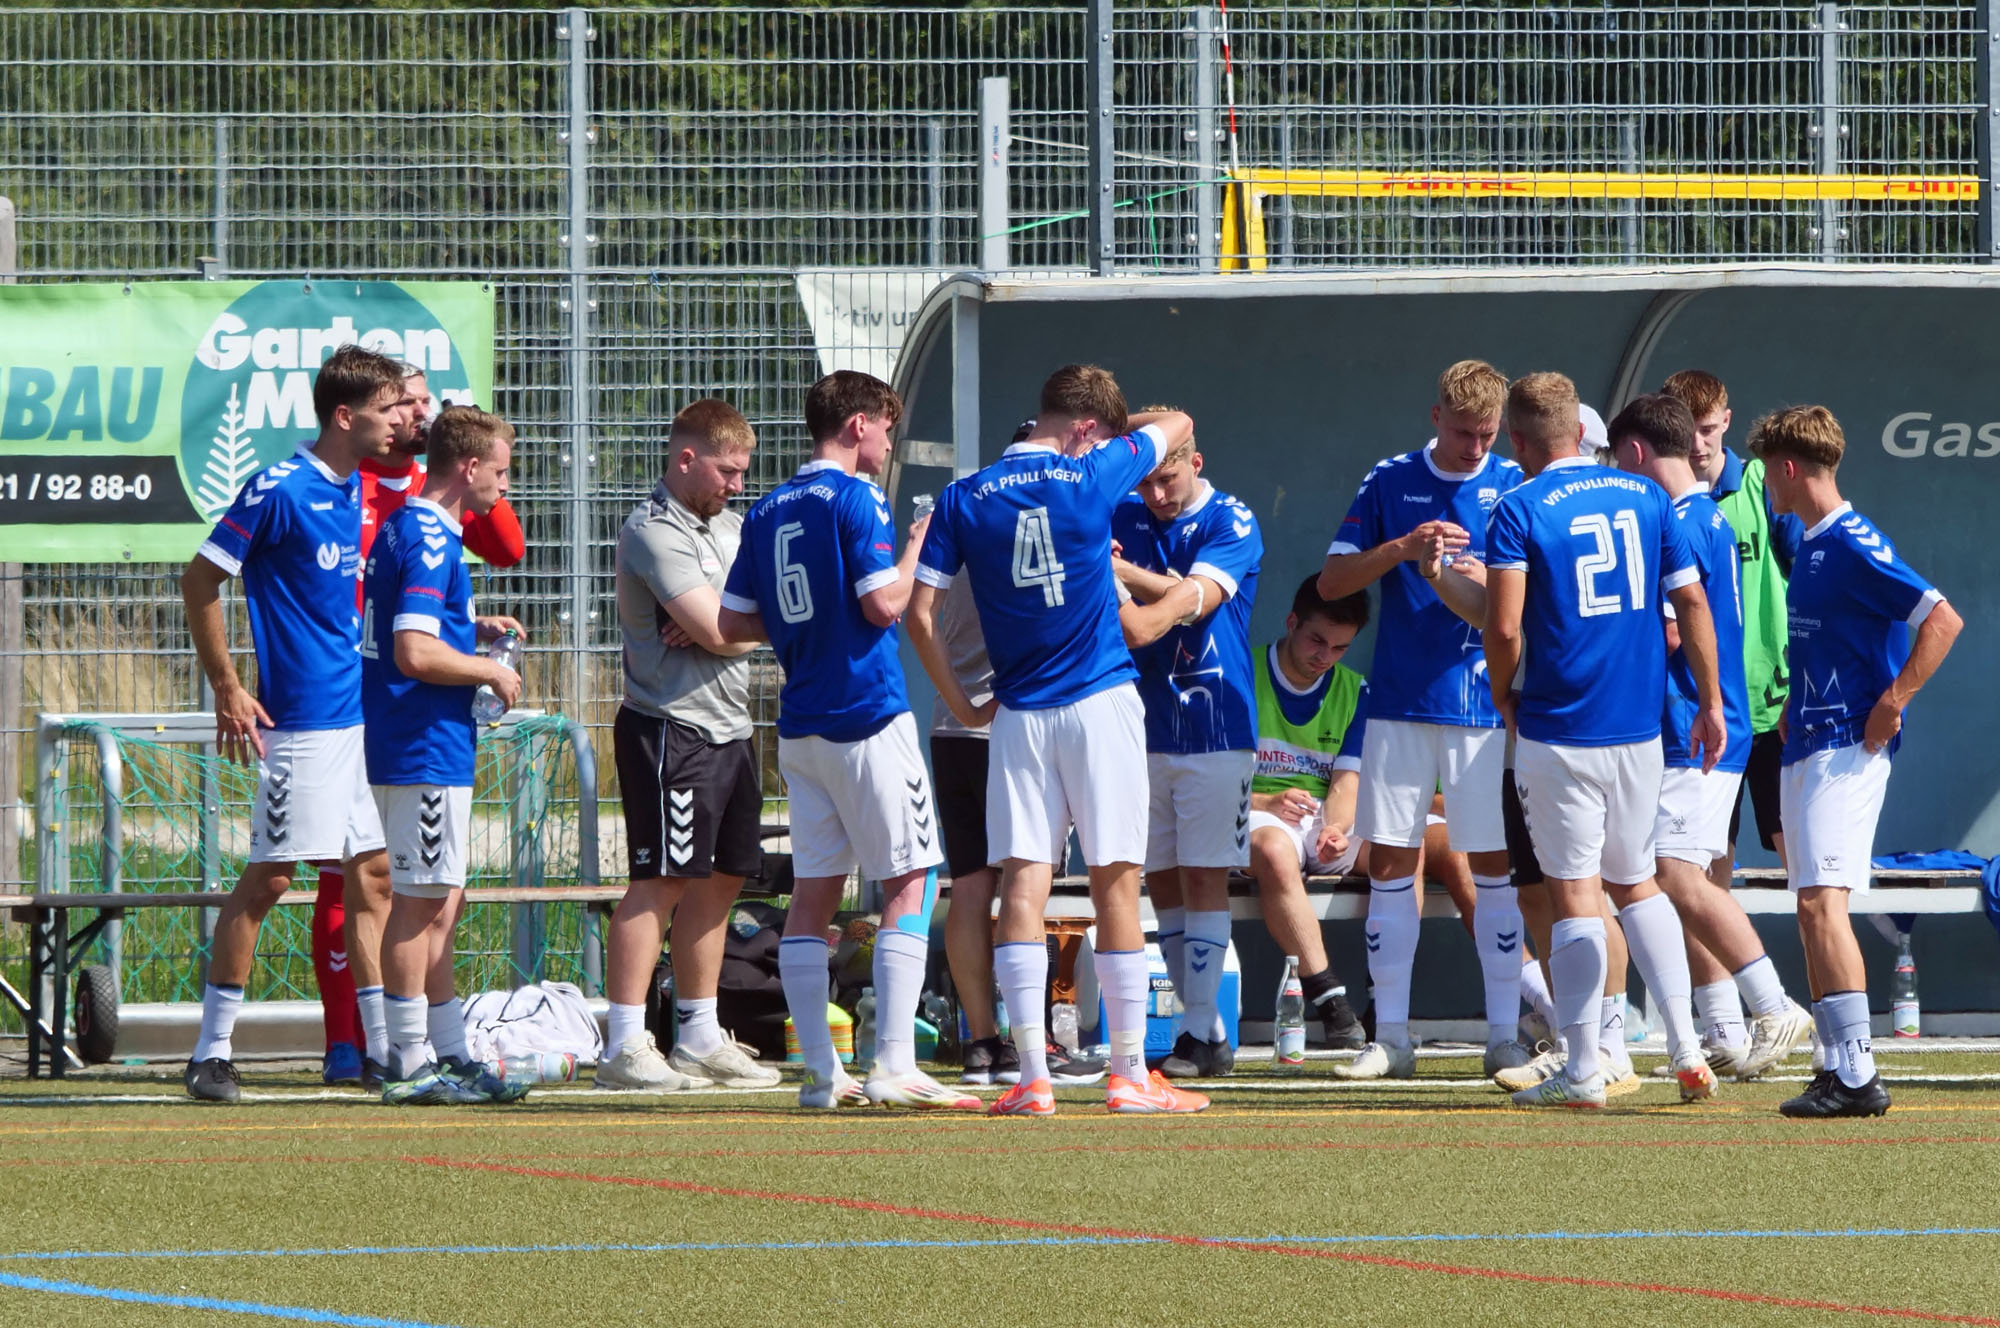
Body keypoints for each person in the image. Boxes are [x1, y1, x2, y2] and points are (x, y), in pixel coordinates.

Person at [911, 364, 1210, 1117]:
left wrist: (962, 703)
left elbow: (919, 614)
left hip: (1018, 713)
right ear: (1085, 430)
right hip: (1100, 701)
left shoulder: (962, 495)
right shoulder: (1092, 472)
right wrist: (1115, 437)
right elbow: (1177, 423)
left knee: (1022, 883)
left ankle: (1032, 1079)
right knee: (1116, 881)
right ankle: (1129, 1075)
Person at [718, 371, 975, 1111]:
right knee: (913, 879)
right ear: (859, 424)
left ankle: (823, 1076)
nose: (889, 443)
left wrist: (808, 618)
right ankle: (895, 1062)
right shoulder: (859, 497)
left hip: (801, 726)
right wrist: (917, 549)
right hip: (866, 713)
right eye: (886, 428)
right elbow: (885, 603)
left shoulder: (765, 508)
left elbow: (732, 623)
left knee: (814, 894)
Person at [1482, 372, 1726, 1109]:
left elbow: (1503, 626)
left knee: (1575, 895)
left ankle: (1585, 1068)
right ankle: (1686, 1048)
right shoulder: (1647, 495)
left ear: (1518, 440)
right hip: (1639, 730)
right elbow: (1691, 600)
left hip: (1561, 728)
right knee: (1637, 882)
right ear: (1581, 431)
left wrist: (1503, 692)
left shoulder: (1518, 506)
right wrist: (1711, 702)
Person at [179, 344, 404, 1102]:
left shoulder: (353, 487)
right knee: (271, 878)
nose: (396, 422)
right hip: (301, 724)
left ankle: (379, 1049)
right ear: (344, 416)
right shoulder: (279, 487)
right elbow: (200, 578)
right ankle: (211, 1053)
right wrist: (228, 685)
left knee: (372, 875)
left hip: (353, 721)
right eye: (385, 410)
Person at [316, 364, 529, 1088]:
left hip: (407, 739)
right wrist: (489, 671)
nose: (503, 486)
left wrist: (469, 628)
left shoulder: (406, 525)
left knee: (434, 905)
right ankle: (408, 1057)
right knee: (416, 906)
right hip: (421, 744)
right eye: (500, 472)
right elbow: (412, 651)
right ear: (468, 469)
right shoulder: (433, 538)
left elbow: (408, 629)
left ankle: (449, 1047)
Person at [1317, 359, 1530, 1081]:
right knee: (1390, 864)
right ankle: (1392, 1039)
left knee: (1493, 867)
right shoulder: (1390, 479)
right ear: (1436, 417)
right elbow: (1332, 582)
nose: (1476, 448)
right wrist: (1402, 550)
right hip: (1401, 703)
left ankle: (1504, 1035)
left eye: (1488, 434)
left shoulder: (1514, 484)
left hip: (1484, 707)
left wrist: (1476, 580)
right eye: (1465, 432)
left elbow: (1531, 596)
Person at [1754, 405, 1961, 1118]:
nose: (1766, 483)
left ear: (1789, 467)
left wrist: (1894, 700)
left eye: (1768, 470)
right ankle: (1834, 1067)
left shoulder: (1853, 540)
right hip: (1808, 741)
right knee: (1811, 907)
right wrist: (1794, 700)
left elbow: (1942, 619)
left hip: (1847, 747)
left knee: (1823, 903)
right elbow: (1824, 638)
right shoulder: (1812, 539)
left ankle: (1859, 1075)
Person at [1607, 393, 1815, 1087]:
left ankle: (1771, 1004)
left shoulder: (1681, 524)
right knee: (1664, 875)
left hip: (1691, 724)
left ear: (1636, 452)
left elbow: (1673, 629)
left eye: (1619, 461)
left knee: (1674, 875)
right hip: (1700, 721)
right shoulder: (1707, 517)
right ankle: (1713, 1028)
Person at [599, 399, 782, 1093]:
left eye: (743, 472)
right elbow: (716, 627)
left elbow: (744, 616)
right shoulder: (651, 531)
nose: (738, 484)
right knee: (660, 882)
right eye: (727, 471)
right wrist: (725, 622)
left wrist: (731, 622)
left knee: (723, 880)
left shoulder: (734, 527)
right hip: (671, 730)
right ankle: (623, 1044)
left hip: (732, 729)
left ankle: (700, 1037)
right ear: (685, 459)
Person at [1660, 369, 1806, 1071]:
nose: (1698, 444)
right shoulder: (1665, 502)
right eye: (1687, 432)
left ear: (1726, 418)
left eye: (1710, 429)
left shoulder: (1759, 490)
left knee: (1805, 871)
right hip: (1701, 715)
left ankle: (1827, 1023)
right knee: (1701, 870)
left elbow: (1807, 586)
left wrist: (1799, 683)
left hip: (1769, 708)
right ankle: (1724, 1029)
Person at [1110, 422, 1263, 1079]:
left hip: (1216, 725)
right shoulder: (1121, 510)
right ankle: (1202, 1030)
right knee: (1162, 876)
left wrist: (1119, 570)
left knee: (1204, 875)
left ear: (1195, 462)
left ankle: (1200, 1029)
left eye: (1166, 479)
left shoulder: (1232, 518)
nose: (1155, 494)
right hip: (1141, 725)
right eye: (1145, 482)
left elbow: (1191, 603)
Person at [1242, 576, 1371, 1049]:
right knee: (1274, 851)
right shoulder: (1241, 672)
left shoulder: (1356, 690)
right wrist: (1264, 803)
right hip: (1255, 813)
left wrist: (1335, 828)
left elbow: (1346, 781)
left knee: (1399, 853)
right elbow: (1210, 781)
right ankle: (1331, 1002)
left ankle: (1386, 1003)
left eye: (1340, 648)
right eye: (1317, 640)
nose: (1325, 656)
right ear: (1292, 622)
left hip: (1320, 818)